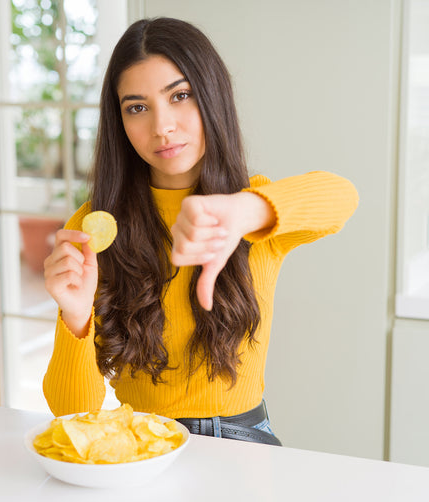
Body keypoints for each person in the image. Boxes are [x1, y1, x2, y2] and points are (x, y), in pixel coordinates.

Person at [42, 17, 358, 446]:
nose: (162, 127)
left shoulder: (256, 209)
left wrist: (245, 211)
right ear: (119, 121)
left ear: (212, 96)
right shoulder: (94, 225)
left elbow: (343, 195)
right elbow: (71, 411)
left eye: (180, 95)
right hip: (140, 443)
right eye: (137, 107)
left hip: (242, 437)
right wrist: (75, 318)